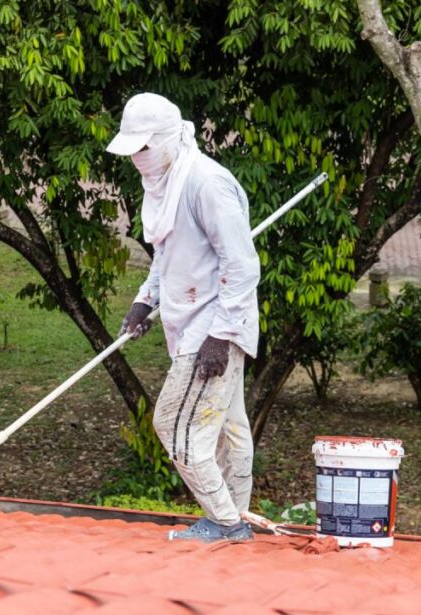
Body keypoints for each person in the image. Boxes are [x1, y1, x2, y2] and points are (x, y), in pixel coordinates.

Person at [107, 93, 260, 542]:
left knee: (174, 424)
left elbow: (242, 265)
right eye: (132, 148)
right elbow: (167, 256)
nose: (137, 157)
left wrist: (222, 335)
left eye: (144, 147)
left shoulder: (205, 184)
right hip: (189, 321)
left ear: (169, 139)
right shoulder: (164, 183)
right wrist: (143, 300)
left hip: (213, 328)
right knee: (230, 428)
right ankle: (239, 518)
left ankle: (225, 521)